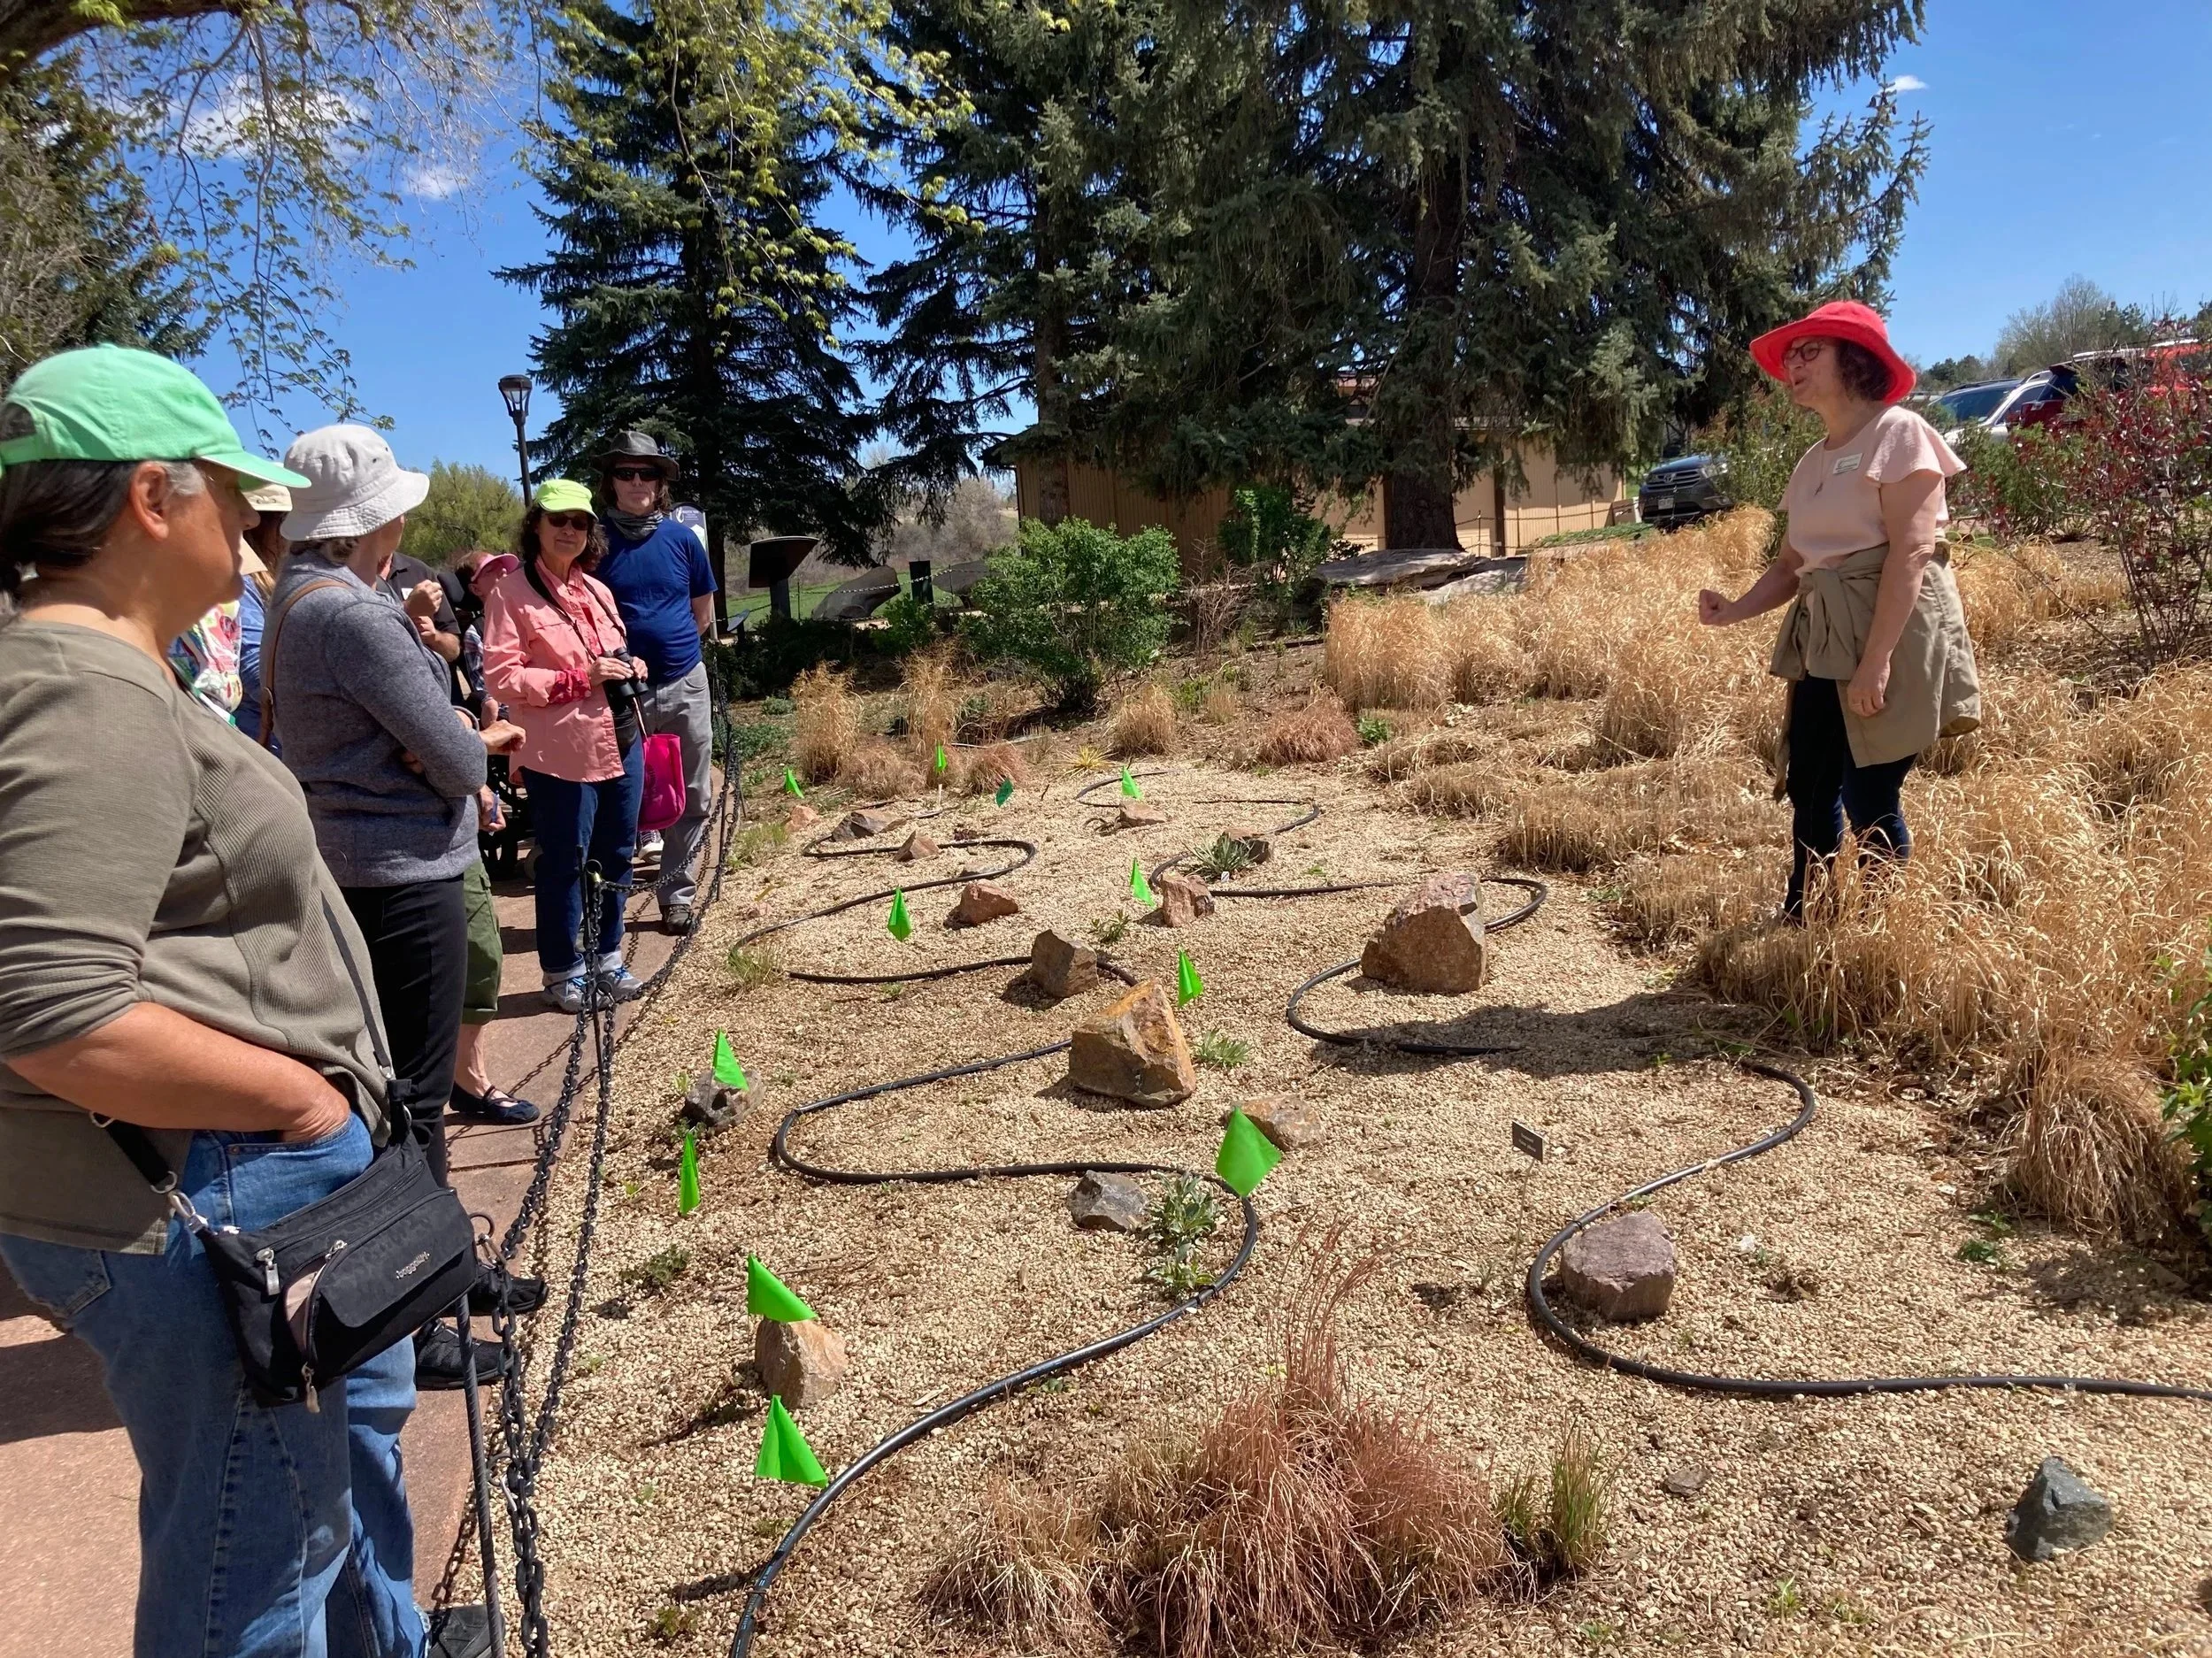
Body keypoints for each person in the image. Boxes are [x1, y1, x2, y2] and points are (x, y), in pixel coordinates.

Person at [0, 345, 490, 1658]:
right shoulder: (84, 686)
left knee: (308, 1503)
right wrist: (296, 1096)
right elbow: (51, 1007)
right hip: (201, 1193)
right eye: (233, 491)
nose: (257, 523)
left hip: (221, 1179)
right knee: (254, 1561)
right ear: (152, 498)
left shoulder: (110, 666)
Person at [267, 425, 533, 1387]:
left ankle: (447, 1266)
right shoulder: (356, 617)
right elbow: (462, 758)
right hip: (402, 871)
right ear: (379, 515)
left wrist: (447, 736)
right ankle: (414, 1308)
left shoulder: (305, 598)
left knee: (404, 1094)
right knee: (412, 1101)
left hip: (365, 863)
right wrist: (467, 736)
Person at [1696, 300, 1981, 918]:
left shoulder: (1900, 433)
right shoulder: (1812, 463)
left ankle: (1881, 934)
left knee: (1870, 790)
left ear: (1855, 359)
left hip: (1892, 630)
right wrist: (1733, 610)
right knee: (1810, 783)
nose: (1792, 366)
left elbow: (1912, 552)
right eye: (1789, 356)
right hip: (1825, 635)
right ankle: (1808, 914)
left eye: (1809, 352)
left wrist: (1876, 662)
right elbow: (1791, 566)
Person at [481, 479, 649, 1011]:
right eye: (559, 520)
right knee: (563, 862)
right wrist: (579, 679)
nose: (570, 531)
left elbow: (614, 650)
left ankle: (607, 957)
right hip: (561, 753)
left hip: (623, 739)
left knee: (618, 853)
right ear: (536, 525)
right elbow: (502, 678)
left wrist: (631, 665)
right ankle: (562, 971)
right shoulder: (510, 594)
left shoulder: (596, 589)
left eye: (580, 522)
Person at [594, 431, 718, 933]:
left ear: (661, 482)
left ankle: (677, 894)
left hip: (685, 681)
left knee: (691, 792)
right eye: (626, 472)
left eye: (648, 472)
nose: (637, 481)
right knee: (625, 799)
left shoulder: (682, 540)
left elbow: (702, 612)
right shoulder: (595, 542)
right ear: (612, 482)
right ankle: (610, 907)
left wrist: (676, 649)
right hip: (623, 694)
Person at [233, 483, 288, 742]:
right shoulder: (241, 582)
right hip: (260, 738)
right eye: (286, 520)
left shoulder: (272, 579)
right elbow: (256, 671)